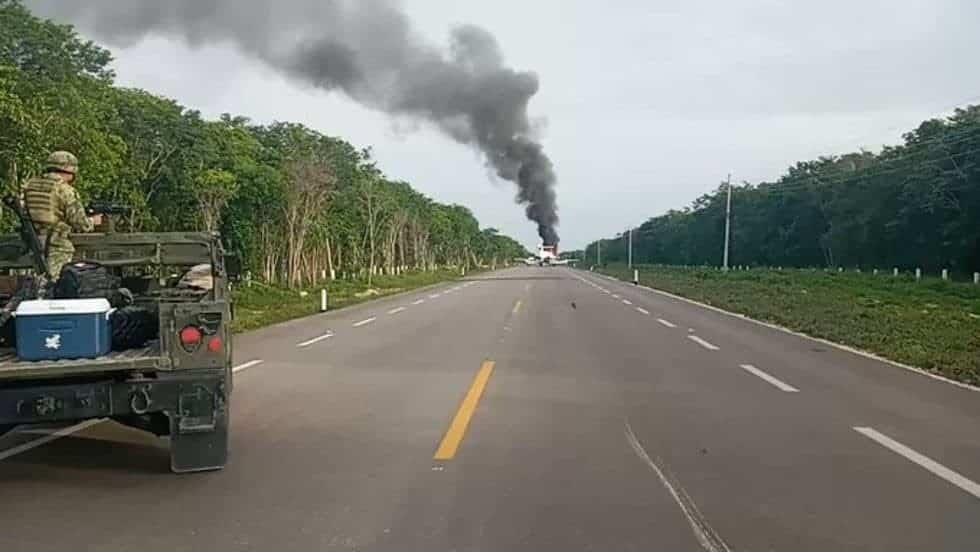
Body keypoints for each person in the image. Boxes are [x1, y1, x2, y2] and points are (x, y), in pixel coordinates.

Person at [21, 151, 102, 277]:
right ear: (69, 169)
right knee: (56, 283)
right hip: (57, 245)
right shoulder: (65, 190)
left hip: (34, 242)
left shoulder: (30, 185)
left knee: (40, 281)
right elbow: (81, 224)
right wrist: (93, 221)